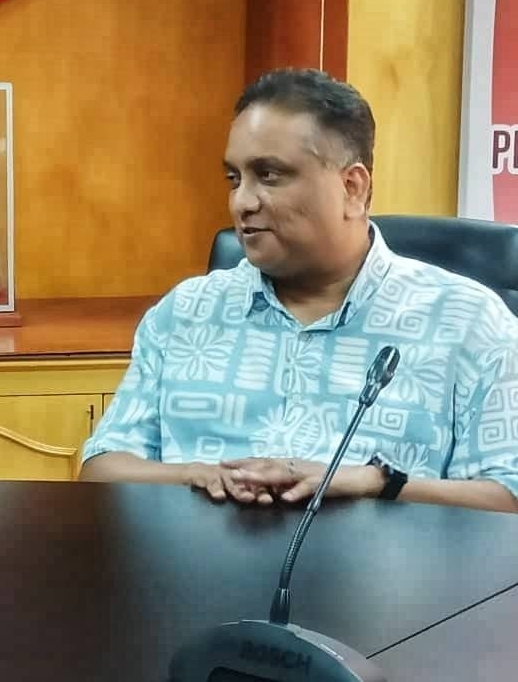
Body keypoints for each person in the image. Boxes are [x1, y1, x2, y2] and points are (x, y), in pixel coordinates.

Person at [79, 68, 518, 513]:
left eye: (269, 175)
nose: (241, 202)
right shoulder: (187, 312)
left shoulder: (467, 321)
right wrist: (198, 474)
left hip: (387, 579)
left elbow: (509, 495)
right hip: (195, 575)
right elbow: (102, 468)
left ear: (352, 187)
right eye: (235, 178)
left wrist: (369, 482)